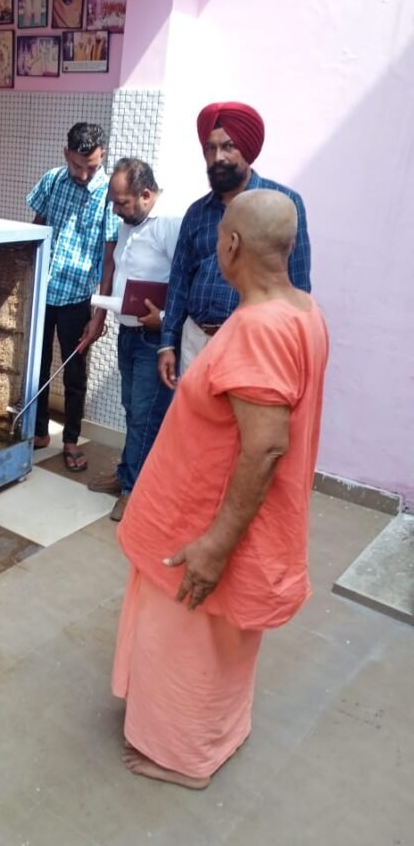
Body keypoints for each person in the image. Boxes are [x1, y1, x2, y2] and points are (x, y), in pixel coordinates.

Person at [112, 188, 329, 789]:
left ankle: (181, 756)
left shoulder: (260, 328)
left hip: (203, 526)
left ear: (231, 245)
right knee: (218, 643)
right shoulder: (304, 310)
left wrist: (215, 545)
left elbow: (265, 447)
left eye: (218, 239)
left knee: (187, 641)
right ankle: (216, 733)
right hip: (205, 512)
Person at [158, 101, 311, 388]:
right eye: (210, 148)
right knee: (193, 416)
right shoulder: (197, 212)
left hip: (251, 343)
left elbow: (299, 283)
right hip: (195, 340)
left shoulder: (283, 203)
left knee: (242, 417)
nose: (218, 157)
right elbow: (179, 280)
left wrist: (288, 349)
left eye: (228, 146)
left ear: (247, 150)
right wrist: (167, 342)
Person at [88, 159, 181, 521]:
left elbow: (185, 282)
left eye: (122, 203)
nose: (115, 210)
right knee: (131, 409)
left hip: (154, 339)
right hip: (128, 332)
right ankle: (127, 472)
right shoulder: (130, 221)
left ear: (145, 195)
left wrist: (165, 321)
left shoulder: (170, 223)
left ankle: (136, 490)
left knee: (146, 415)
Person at [27, 122, 118, 472]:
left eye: (90, 167)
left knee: (74, 372)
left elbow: (109, 258)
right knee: (35, 364)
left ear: (102, 155)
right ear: (66, 154)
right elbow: (36, 228)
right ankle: (38, 432)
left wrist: (100, 313)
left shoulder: (108, 193)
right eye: (76, 165)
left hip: (78, 298)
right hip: (41, 291)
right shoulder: (52, 180)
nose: (82, 174)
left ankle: (70, 440)